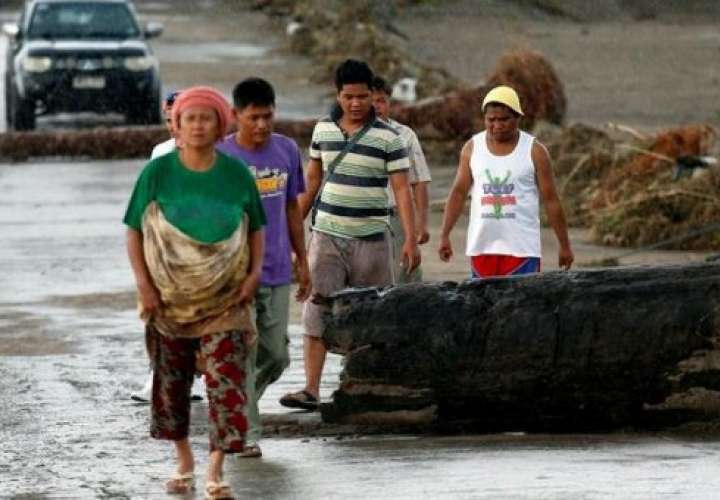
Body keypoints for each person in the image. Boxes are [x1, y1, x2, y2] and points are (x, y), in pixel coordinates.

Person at [123, 86, 266, 499]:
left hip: (227, 299)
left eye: (206, 118)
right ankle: (184, 458)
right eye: (190, 118)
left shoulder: (236, 173)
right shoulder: (156, 172)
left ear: (221, 125)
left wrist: (254, 273)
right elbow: (134, 231)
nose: (198, 125)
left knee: (226, 381)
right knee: (171, 384)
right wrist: (145, 286)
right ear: (178, 126)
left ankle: (217, 469)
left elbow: (254, 227)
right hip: (169, 300)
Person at [279, 59, 420, 411]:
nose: (355, 104)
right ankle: (311, 389)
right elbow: (311, 184)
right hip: (326, 235)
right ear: (337, 94)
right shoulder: (322, 131)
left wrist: (411, 238)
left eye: (362, 97)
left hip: (373, 237)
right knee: (318, 308)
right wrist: (291, 235)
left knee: (374, 312)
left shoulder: (389, 137)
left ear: (373, 95)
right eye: (348, 97)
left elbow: (402, 190)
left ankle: (365, 387)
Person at [216, 77, 310, 458]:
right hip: (236, 274)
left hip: (277, 268)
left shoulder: (286, 150)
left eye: (267, 116)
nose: (261, 125)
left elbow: (291, 207)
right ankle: (246, 433)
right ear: (236, 116)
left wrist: (303, 259)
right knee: (247, 352)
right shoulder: (221, 158)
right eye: (253, 118)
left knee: (277, 355)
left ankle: (231, 404)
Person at [439, 85, 574, 277]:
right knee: (483, 307)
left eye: (504, 119)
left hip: (523, 251)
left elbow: (551, 200)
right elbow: (458, 193)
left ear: (518, 118)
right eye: (491, 120)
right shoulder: (471, 148)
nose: (497, 125)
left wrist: (565, 245)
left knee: (521, 306)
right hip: (482, 248)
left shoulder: (535, 151)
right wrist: (445, 234)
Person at [130, 88, 204, 404]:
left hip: (203, 248)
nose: (172, 125)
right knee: (158, 314)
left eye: (177, 117)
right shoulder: (160, 152)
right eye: (168, 120)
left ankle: (195, 375)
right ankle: (157, 374)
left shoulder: (215, 152)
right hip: (165, 247)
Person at [371, 75, 432, 283]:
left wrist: (421, 225)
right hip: (364, 217)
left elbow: (420, 181)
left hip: (397, 216)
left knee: (406, 274)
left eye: (381, 101)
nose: (376, 107)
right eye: (371, 101)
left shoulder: (405, 135)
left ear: (390, 103)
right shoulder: (352, 135)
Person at [151, 90, 181, 159]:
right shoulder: (160, 152)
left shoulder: (207, 152)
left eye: (178, 119)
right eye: (169, 120)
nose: (173, 126)